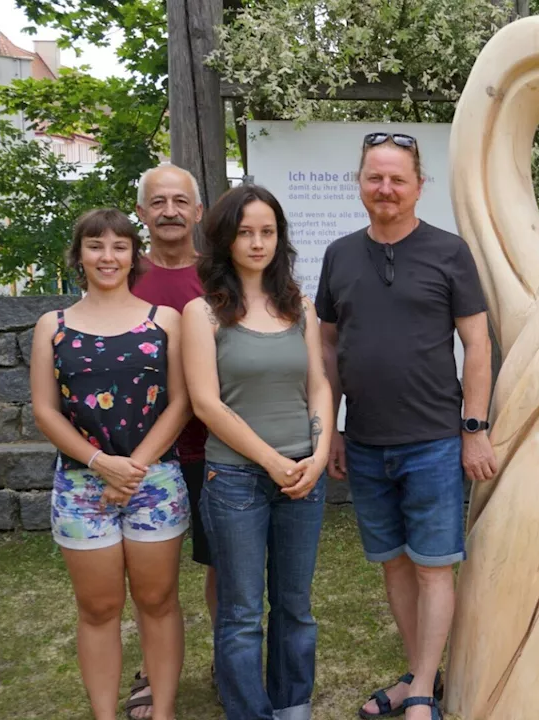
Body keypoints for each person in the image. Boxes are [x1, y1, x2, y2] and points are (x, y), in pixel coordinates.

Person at [316, 132, 495, 720]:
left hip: (435, 441)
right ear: (360, 183)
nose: (386, 188)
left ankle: (418, 691)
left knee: (434, 564)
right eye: (375, 177)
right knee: (394, 562)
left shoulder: (449, 252)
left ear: (420, 186)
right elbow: (327, 342)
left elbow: (476, 343)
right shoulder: (340, 255)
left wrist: (474, 427)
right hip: (365, 441)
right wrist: (332, 429)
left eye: (397, 178)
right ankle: (423, 675)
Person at [29, 209, 190, 720]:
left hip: (154, 481)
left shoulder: (164, 320)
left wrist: (132, 469)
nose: (108, 256)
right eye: (96, 246)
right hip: (81, 485)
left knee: (158, 601)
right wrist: (102, 464)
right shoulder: (52, 326)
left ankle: (161, 711)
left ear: (133, 255)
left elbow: (181, 403)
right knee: (98, 609)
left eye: (119, 246)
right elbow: (44, 410)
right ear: (78, 255)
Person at [182, 184, 333, 720]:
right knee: (242, 614)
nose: (257, 242)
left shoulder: (301, 308)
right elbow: (206, 403)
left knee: (295, 606)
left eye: (267, 231)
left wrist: (318, 455)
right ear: (225, 239)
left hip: (304, 476)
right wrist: (272, 460)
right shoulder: (201, 313)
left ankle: (293, 707)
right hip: (236, 481)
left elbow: (318, 384)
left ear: (279, 238)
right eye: (245, 232)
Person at [128, 162, 210, 718]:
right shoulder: (122, 277)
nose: (170, 212)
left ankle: (230, 662)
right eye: (158, 202)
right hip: (143, 454)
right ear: (141, 213)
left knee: (222, 570)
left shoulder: (222, 277)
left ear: (198, 212)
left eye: (180, 201)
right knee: (151, 583)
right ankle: (149, 670)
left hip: (214, 451)